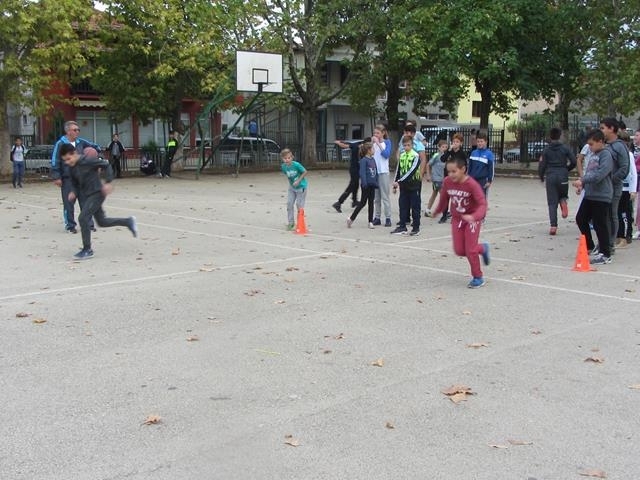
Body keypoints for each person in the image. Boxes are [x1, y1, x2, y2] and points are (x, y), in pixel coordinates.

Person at [59, 144, 137, 260]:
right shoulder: (71, 168)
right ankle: (128, 221)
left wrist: (108, 182)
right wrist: (73, 192)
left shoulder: (88, 161)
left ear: (74, 153)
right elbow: (74, 183)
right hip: (88, 195)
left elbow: (106, 165)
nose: (67, 162)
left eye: (68, 159)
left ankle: (87, 249)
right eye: (65, 160)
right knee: (102, 222)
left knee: (83, 218)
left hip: (97, 193)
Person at [431, 152, 490, 289]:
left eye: (454, 171)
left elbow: (482, 204)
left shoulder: (472, 184)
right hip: (457, 219)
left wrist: (474, 217)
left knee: (470, 250)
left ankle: (478, 277)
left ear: (463, 169)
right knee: (459, 250)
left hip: (472, 219)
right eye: (448, 171)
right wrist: (437, 211)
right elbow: (444, 199)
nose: (451, 174)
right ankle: (482, 248)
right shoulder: (447, 182)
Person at [51, 120, 100, 233]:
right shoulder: (60, 144)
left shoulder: (81, 142)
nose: (77, 132)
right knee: (69, 203)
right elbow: (55, 160)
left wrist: (98, 158)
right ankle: (70, 226)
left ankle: (88, 224)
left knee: (85, 202)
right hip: (68, 179)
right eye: (75, 130)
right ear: (68, 131)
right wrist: (56, 176)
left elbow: (96, 148)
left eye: (78, 130)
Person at [573, 130, 613, 265]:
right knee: (580, 218)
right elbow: (589, 173)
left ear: (600, 141)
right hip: (590, 194)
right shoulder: (593, 155)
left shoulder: (606, 155)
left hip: (602, 195)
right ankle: (590, 245)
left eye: (591, 144)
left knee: (599, 224)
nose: (589, 147)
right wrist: (582, 185)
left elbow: (599, 174)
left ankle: (606, 253)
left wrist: (582, 180)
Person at [538, 127, 576, 235]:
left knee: (552, 202)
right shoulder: (565, 148)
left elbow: (542, 165)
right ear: (560, 136)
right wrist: (566, 169)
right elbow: (573, 161)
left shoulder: (546, 150)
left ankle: (553, 226)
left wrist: (541, 177)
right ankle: (563, 201)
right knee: (563, 194)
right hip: (563, 175)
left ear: (550, 136)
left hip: (551, 176)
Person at [600, 117, 629, 254]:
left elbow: (624, 168)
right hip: (604, 187)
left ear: (611, 129)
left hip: (614, 186)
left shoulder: (619, 146)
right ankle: (604, 242)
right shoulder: (605, 145)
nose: (601, 131)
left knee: (612, 214)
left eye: (603, 128)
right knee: (604, 216)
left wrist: (611, 180)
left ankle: (610, 244)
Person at [390, 136, 422, 236]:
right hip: (404, 186)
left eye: (408, 145)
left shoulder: (415, 156)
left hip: (414, 185)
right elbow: (398, 170)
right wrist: (395, 183)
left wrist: (399, 181)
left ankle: (416, 228)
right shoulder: (402, 155)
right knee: (403, 206)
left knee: (415, 207)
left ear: (412, 145)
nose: (406, 147)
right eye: (405, 145)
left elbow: (411, 171)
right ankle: (402, 226)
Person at [436, 133, 466, 224]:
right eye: (454, 142)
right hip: (447, 177)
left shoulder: (462, 154)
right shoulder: (449, 151)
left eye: (457, 142)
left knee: (455, 198)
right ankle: (444, 215)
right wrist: (448, 151)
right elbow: (442, 159)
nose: (455, 143)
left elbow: (464, 166)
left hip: (457, 178)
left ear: (461, 143)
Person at [347, 142, 378, 229]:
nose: (374, 150)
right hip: (366, 185)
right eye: (372, 149)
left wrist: (376, 181)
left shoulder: (373, 159)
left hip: (372, 184)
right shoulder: (364, 160)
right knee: (362, 203)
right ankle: (351, 218)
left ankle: (370, 221)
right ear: (368, 150)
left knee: (371, 203)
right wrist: (364, 183)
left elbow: (376, 171)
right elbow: (362, 173)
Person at [614, 132, 637, 247]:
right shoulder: (615, 155)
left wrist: (633, 189)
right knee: (617, 213)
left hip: (627, 189)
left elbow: (633, 173)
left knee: (626, 214)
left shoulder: (629, 155)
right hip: (618, 188)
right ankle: (619, 235)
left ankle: (626, 236)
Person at [280, 148, 308, 231]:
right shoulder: (283, 167)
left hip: (301, 187)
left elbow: (305, 172)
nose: (287, 160)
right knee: (289, 204)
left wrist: (298, 180)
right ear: (282, 159)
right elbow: (288, 176)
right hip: (292, 188)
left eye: (289, 158)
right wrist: (292, 183)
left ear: (292, 157)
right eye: (285, 158)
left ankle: (300, 223)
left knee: (299, 205)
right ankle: (291, 223)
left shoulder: (296, 165)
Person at [371, 125, 392, 226]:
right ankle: (377, 217)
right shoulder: (373, 144)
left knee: (385, 196)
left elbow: (386, 154)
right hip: (375, 172)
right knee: (376, 197)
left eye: (378, 133)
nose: (376, 135)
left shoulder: (387, 142)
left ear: (383, 133)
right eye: (374, 133)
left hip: (383, 172)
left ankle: (388, 218)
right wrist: (372, 143)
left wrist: (378, 144)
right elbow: (369, 153)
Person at [332, 139, 361, 212]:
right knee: (351, 186)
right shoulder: (356, 145)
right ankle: (339, 202)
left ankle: (354, 201)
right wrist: (339, 143)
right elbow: (345, 145)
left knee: (356, 185)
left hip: (357, 168)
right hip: (354, 169)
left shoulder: (360, 145)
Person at [425, 140, 448, 219]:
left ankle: (427, 210)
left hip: (443, 178)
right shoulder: (436, 155)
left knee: (434, 193)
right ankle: (443, 211)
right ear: (439, 147)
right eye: (443, 147)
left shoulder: (447, 156)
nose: (444, 149)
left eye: (446, 147)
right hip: (436, 178)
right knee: (443, 194)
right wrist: (428, 175)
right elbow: (428, 164)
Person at [468, 131, 494, 198]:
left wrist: (489, 181)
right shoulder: (473, 153)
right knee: (472, 198)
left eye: (481, 141)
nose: (479, 143)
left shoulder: (489, 154)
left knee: (481, 198)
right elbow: (470, 167)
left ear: (486, 142)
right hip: (472, 179)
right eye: (478, 141)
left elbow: (491, 169)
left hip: (483, 180)